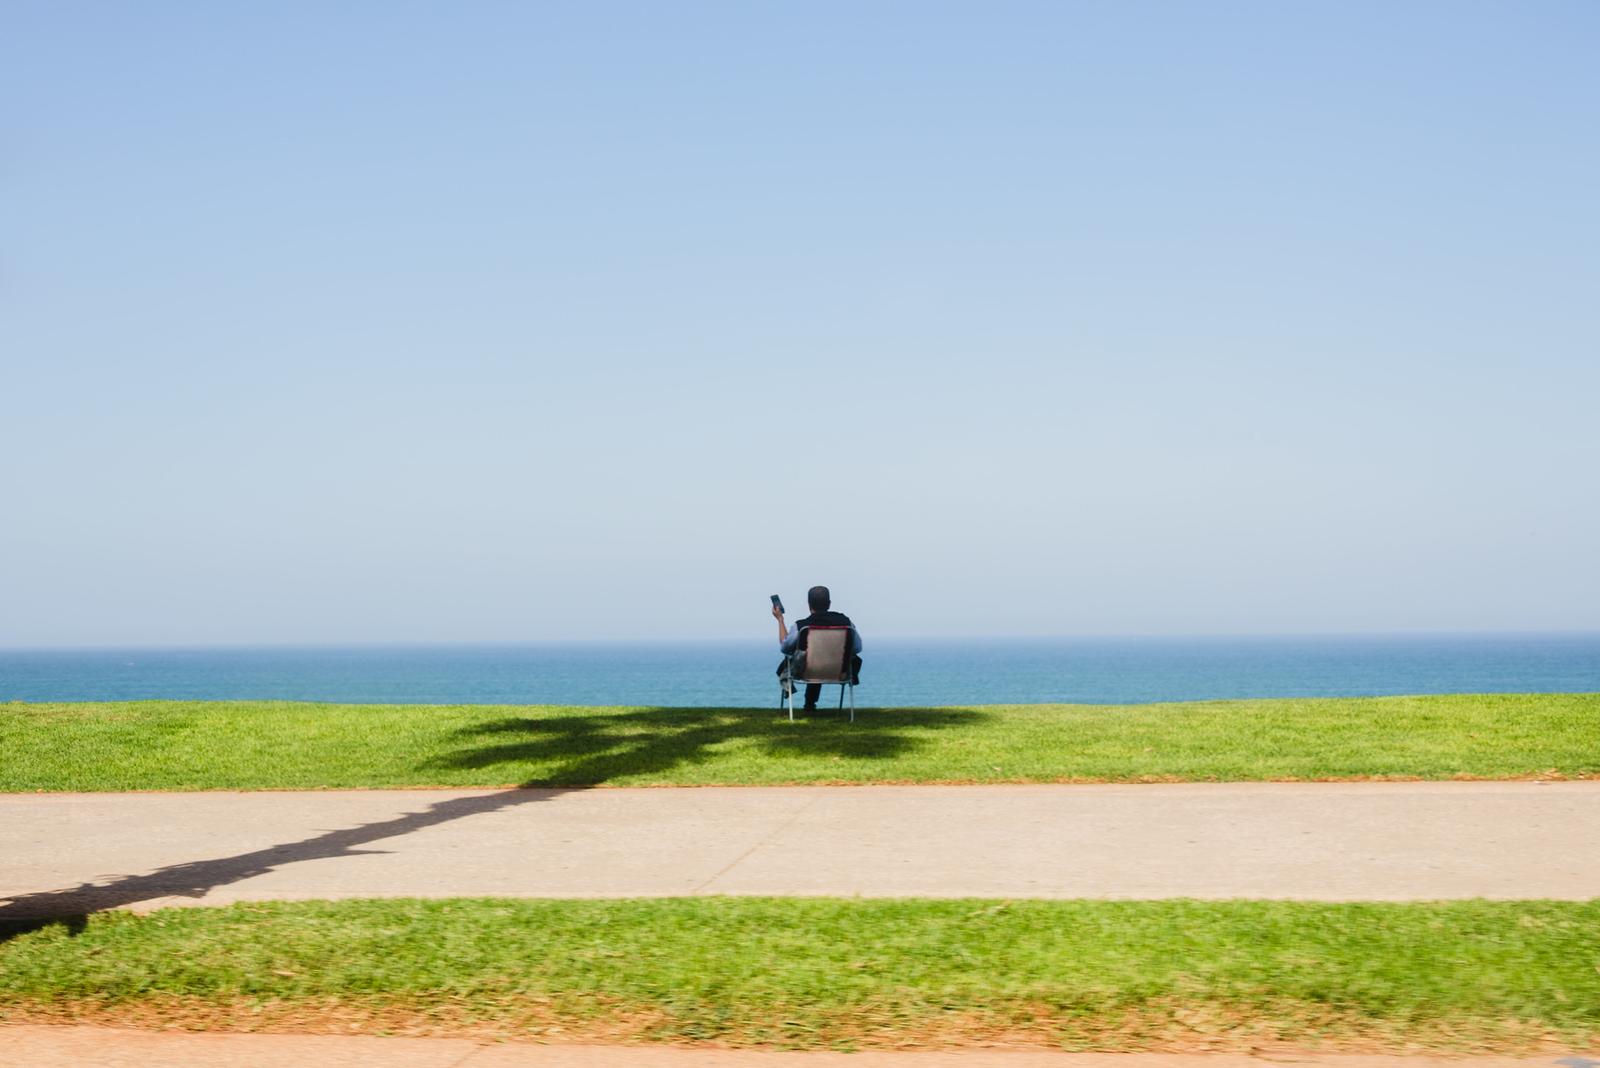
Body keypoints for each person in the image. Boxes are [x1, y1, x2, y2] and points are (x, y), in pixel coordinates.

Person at [772, 585, 863, 710]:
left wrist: (780, 620)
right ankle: (810, 703)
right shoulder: (846, 623)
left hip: (805, 672)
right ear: (829, 604)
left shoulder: (802, 626)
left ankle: (808, 704)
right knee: (820, 658)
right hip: (841, 671)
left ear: (809, 605)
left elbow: (785, 648)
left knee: (809, 660)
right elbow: (857, 648)